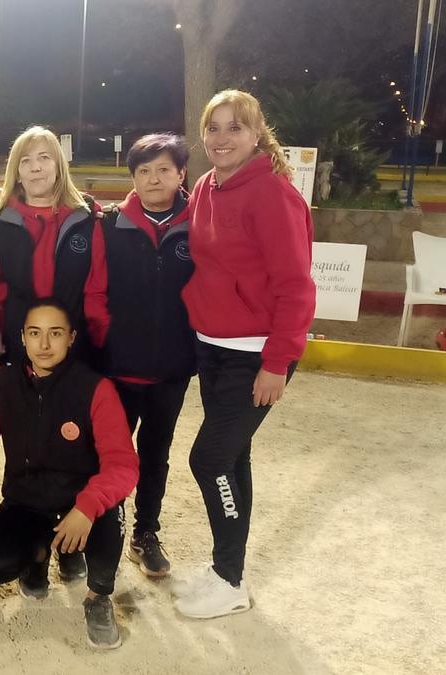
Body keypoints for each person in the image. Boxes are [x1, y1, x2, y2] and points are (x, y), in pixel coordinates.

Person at [0, 298, 138, 649]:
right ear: (23, 337)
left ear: (72, 338)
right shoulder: (2, 384)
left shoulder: (95, 388)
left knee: (111, 513)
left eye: (55, 333)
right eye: (35, 333)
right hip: (28, 500)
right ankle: (38, 558)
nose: (44, 344)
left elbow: (122, 465)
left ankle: (97, 597)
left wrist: (87, 507)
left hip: (83, 500)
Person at [174, 90, 315, 619]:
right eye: (214, 128)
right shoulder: (208, 186)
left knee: (208, 459)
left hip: (255, 357)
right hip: (212, 347)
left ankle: (229, 579)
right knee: (233, 459)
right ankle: (226, 572)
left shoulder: (274, 195)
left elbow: (297, 288)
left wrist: (277, 362)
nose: (221, 138)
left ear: (257, 135)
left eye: (235, 128)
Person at [83, 133, 195, 578]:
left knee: (156, 453)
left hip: (172, 370)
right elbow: (95, 293)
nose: (154, 178)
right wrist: (110, 342)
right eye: (144, 170)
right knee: (111, 453)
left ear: (181, 174)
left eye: (164, 169)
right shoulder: (109, 225)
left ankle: (146, 532)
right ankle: (109, 521)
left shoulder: (198, 223)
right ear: (132, 177)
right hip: (119, 368)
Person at [0, 126, 101, 371]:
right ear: (16, 172)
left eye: (44, 158)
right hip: (19, 340)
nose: (35, 167)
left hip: (75, 342)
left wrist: (98, 332)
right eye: (26, 161)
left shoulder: (87, 218)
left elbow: (96, 285)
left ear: (58, 167)